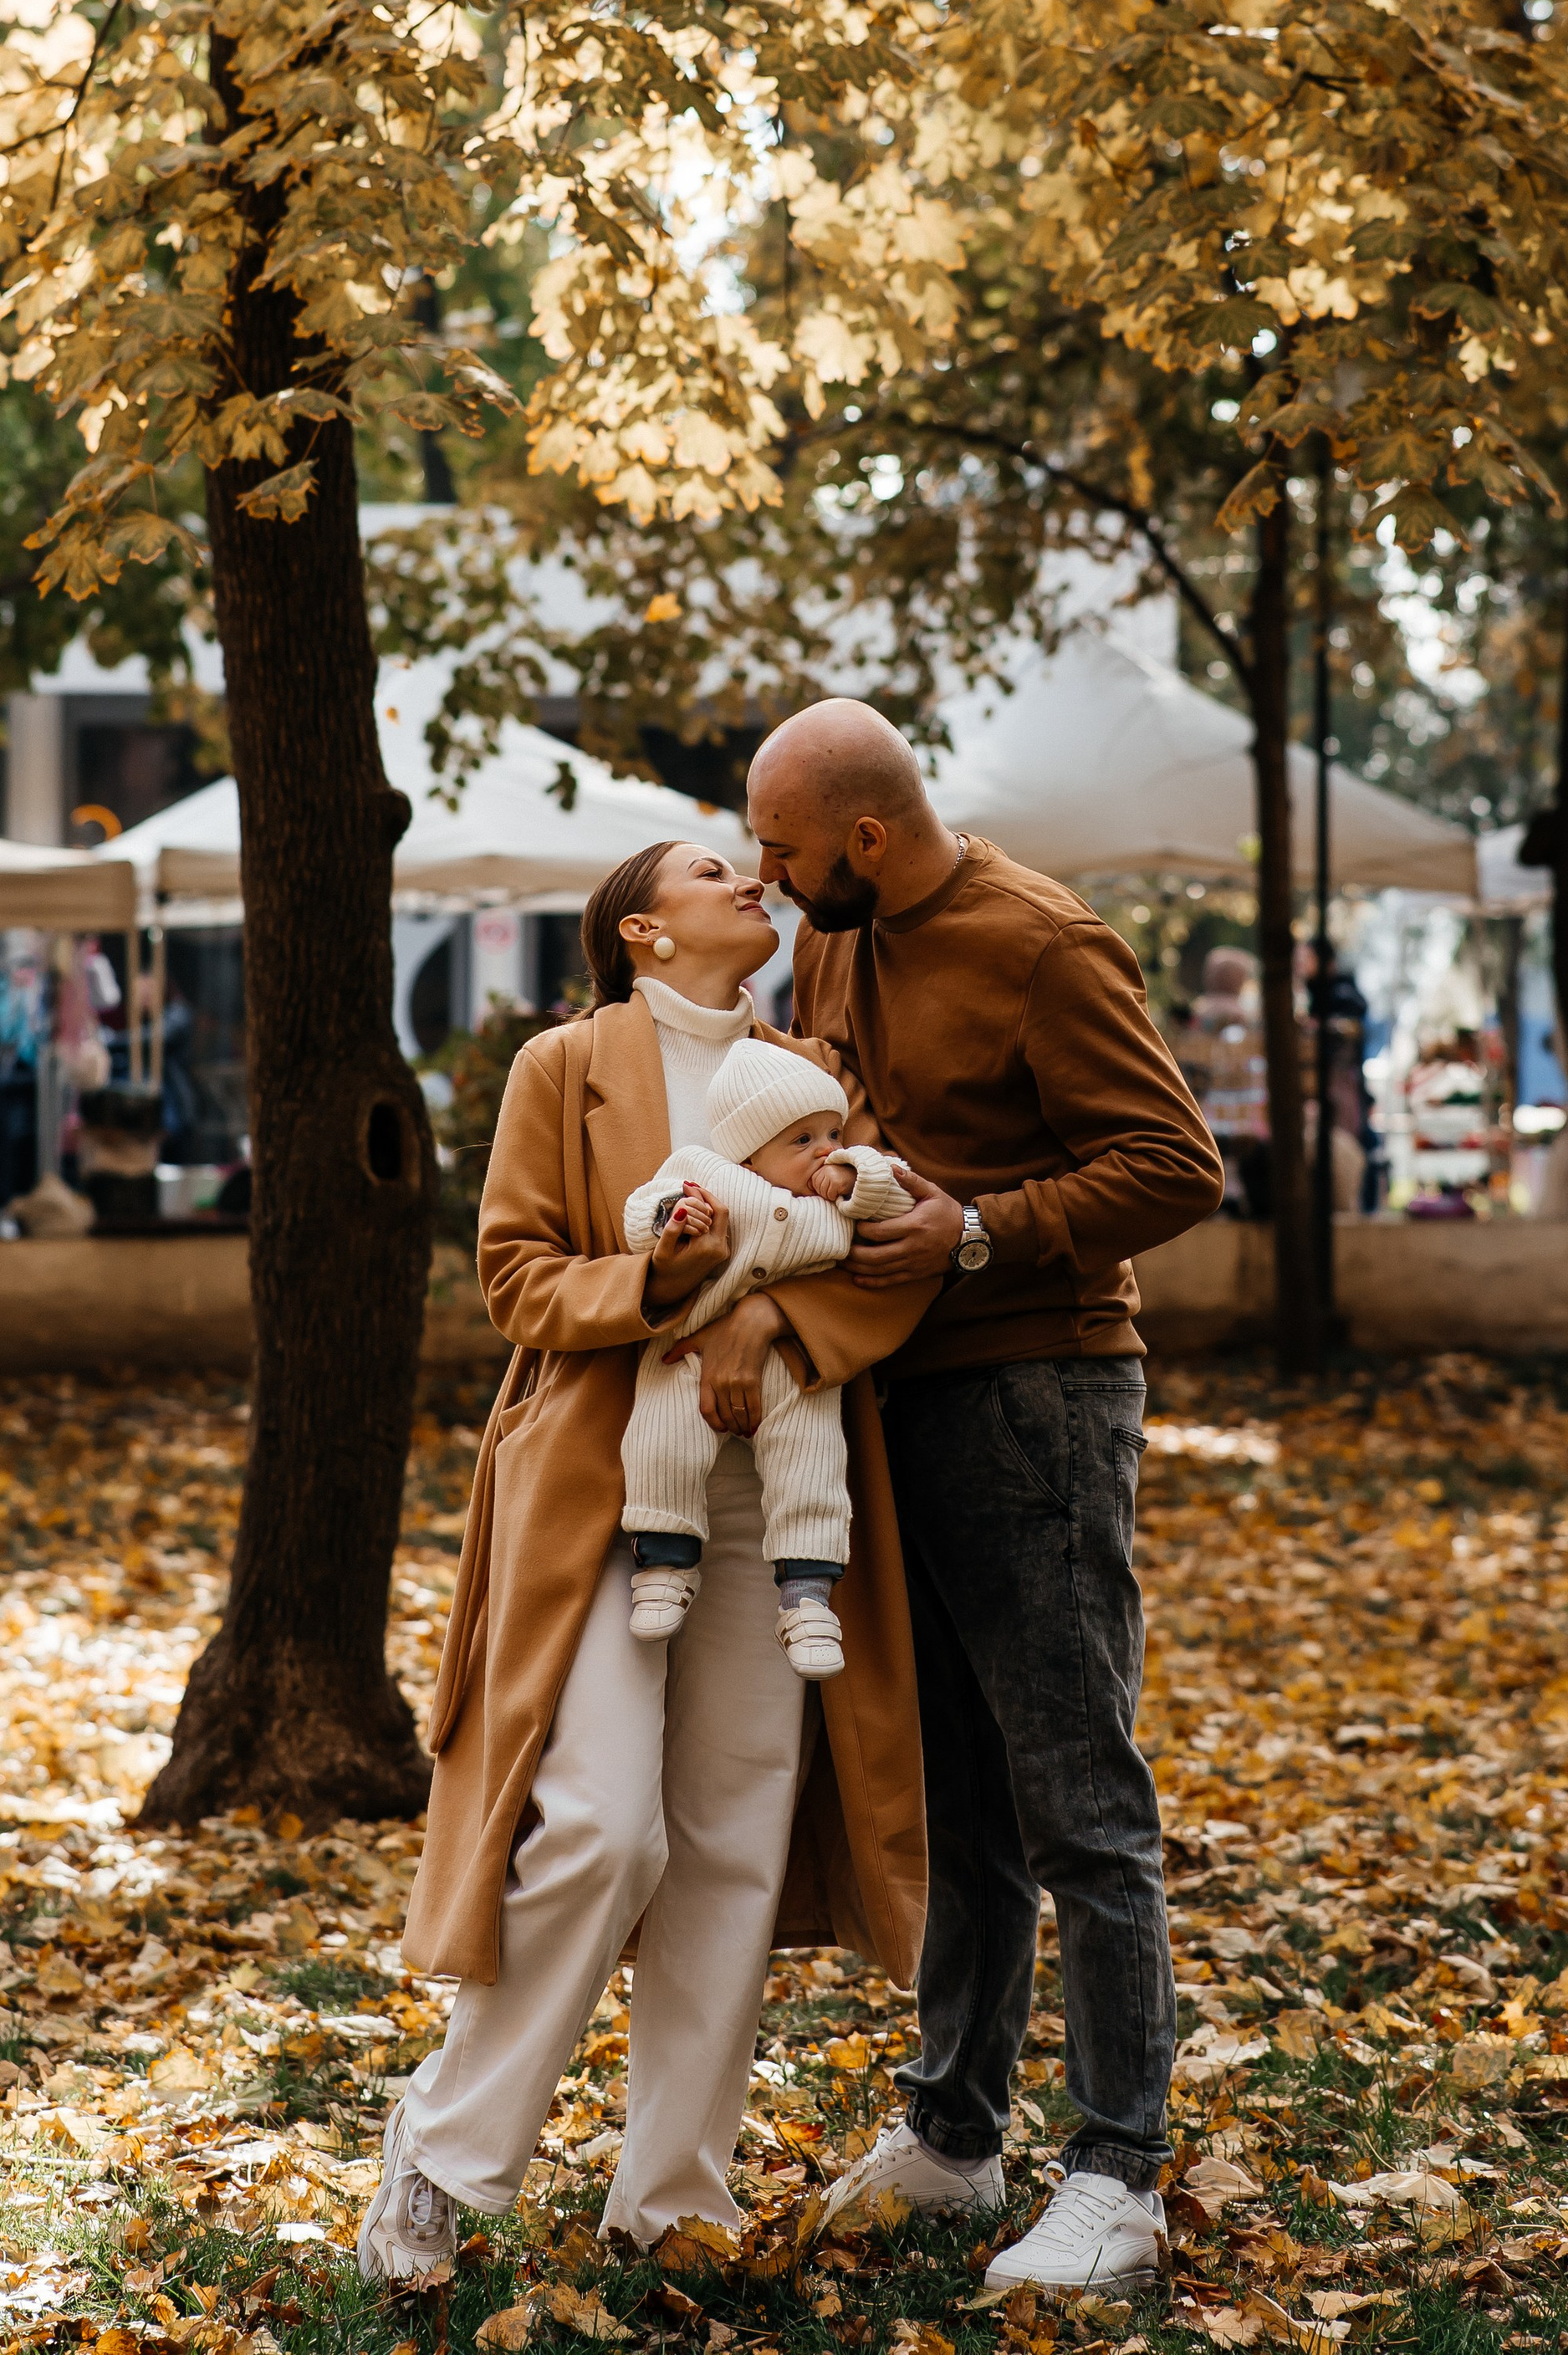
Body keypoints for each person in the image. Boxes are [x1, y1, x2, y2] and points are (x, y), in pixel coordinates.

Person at [359, 835, 936, 2287]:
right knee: (607, 1828)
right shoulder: (565, 1067)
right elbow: (515, 1276)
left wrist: (771, 1326)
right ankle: (442, 2146)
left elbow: (877, 1256)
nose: (748, 873)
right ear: (637, 932)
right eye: (704, 867)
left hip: (785, 1498)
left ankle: (676, 2191)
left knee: (734, 1839)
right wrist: (669, 1283)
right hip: (603, 1489)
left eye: (747, 861)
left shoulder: (814, 1064)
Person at [748, 699, 1226, 2301]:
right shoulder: (838, 933)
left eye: (786, 848)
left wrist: (974, 1233)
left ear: (867, 838)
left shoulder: (1045, 942)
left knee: (1076, 1795)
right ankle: (956, 2136)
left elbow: (1174, 1166)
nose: (770, 876)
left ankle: (1120, 2174)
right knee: (954, 1794)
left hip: (1038, 1397)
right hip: (887, 1400)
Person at [621, 1037, 913, 1673]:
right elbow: (641, 1208)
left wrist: (858, 1175)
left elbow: (900, 1193)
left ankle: (808, 1595)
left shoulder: (836, 1197)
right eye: (801, 1140)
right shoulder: (709, 1170)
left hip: (795, 1368)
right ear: (750, 1151)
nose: (825, 1149)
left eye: (832, 1132)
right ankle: (665, 1562)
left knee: (812, 1464)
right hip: (688, 1355)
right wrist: (676, 1213)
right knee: (662, 1441)